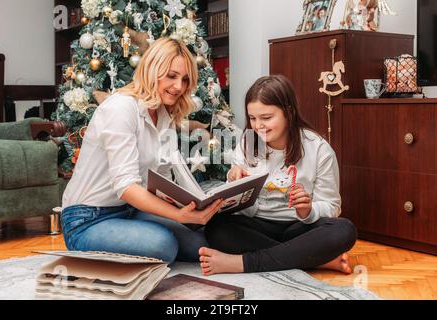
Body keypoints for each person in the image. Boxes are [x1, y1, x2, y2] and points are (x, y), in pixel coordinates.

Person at [61, 37, 225, 264]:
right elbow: (127, 186)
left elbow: (162, 182)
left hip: (130, 211)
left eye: (185, 79)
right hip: (88, 218)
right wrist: (178, 216)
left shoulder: (165, 115)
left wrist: (194, 207)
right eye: (171, 76)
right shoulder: (121, 108)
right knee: (164, 245)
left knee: (199, 244)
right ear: (151, 70)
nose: (179, 87)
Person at [199, 75, 357, 275]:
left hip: (299, 228)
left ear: (288, 112)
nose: (258, 126)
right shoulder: (247, 144)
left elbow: (332, 206)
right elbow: (241, 209)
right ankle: (311, 259)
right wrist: (237, 185)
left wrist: (308, 211)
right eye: (253, 118)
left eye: (266, 118)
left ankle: (244, 263)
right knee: (216, 228)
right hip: (258, 225)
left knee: (344, 230)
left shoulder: (319, 149)